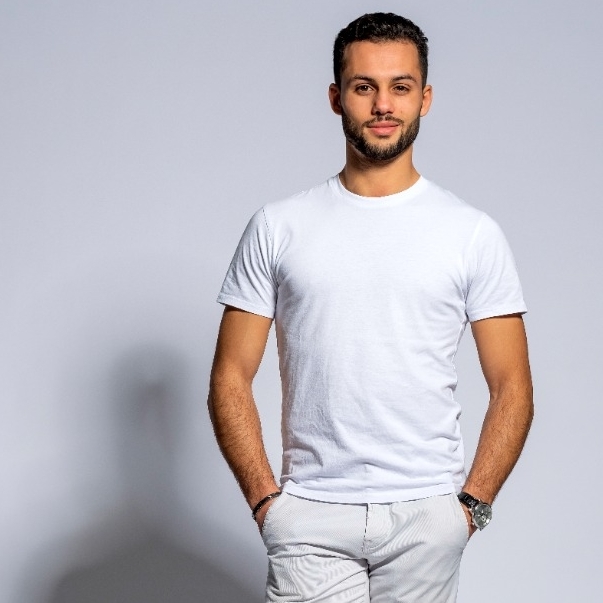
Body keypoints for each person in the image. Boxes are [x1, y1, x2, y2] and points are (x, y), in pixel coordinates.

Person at [208, 12, 533, 603]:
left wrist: (470, 508)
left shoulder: (471, 233)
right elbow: (230, 375)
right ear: (337, 98)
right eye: (364, 87)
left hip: (426, 515)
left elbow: (512, 385)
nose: (383, 104)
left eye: (400, 87)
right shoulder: (278, 227)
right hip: (310, 514)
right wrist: (266, 503)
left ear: (424, 98)